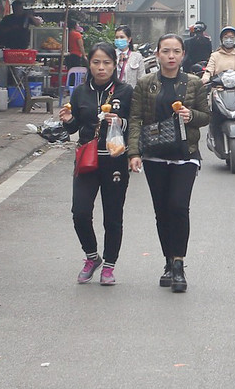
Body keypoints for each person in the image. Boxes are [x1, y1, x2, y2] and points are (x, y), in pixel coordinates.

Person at [127, 33, 210, 294]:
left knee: (178, 206)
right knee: (162, 211)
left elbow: (206, 116)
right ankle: (167, 260)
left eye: (175, 51)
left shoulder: (194, 84)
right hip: (154, 154)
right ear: (158, 54)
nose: (171, 56)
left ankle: (179, 264)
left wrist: (190, 115)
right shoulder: (145, 83)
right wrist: (133, 153)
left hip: (185, 154)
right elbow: (136, 118)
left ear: (183, 54)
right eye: (165, 51)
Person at [59, 42, 134, 286]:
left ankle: (110, 266)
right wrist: (68, 120)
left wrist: (119, 122)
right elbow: (74, 127)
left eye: (106, 63)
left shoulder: (125, 91)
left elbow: (135, 126)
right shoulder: (81, 92)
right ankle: (92, 256)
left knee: (112, 217)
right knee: (80, 212)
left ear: (115, 65)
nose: (101, 68)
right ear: (89, 64)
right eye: (96, 62)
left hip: (114, 160)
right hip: (87, 160)